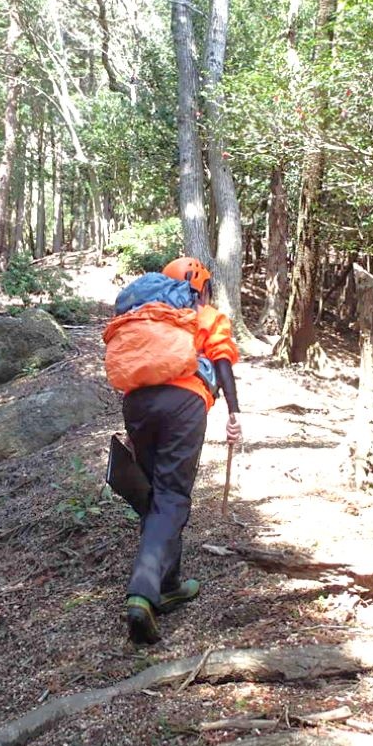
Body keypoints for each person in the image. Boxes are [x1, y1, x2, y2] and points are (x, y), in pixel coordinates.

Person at [114, 257, 242, 645]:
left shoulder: (147, 315)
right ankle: (142, 592)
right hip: (183, 404)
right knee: (171, 497)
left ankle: (168, 583)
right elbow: (221, 364)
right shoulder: (204, 315)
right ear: (199, 286)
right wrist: (234, 412)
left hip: (137, 404)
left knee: (154, 493)